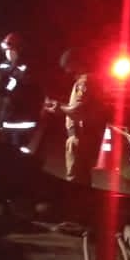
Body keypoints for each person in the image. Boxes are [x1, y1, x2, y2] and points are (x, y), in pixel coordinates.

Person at [50, 47, 108, 185]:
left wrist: (59, 107)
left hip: (79, 136)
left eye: (68, 66)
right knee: (84, 177)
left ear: (75, 63)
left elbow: (77, 111)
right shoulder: (92, 79)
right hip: (88, 135)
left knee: (74, 177)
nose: (67, 71)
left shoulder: (84, 82)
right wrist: (62, 106)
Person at [0, 31, 44, 151]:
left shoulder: (28, 69)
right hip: (4, 121)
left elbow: (11, 88)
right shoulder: (2, 67)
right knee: (4, 155)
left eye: (11, 49)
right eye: (6, 49)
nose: (8, 52)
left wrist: (13, 69)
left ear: (19, 50)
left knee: (19, 156)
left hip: (22, 124)